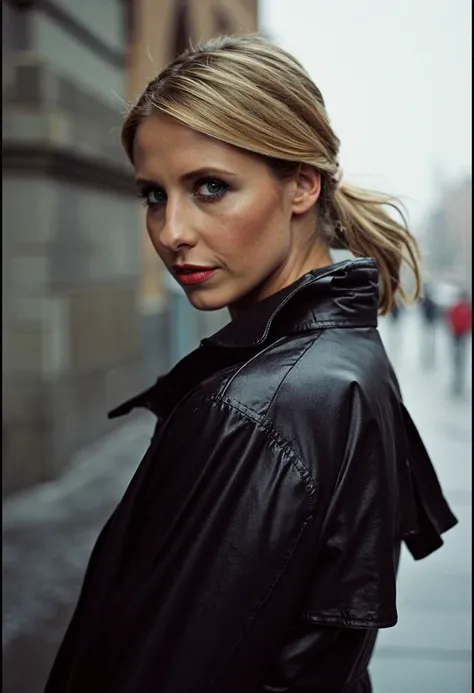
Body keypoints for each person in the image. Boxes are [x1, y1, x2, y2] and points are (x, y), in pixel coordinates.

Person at [44, 35, 457, 693]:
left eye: (211, 187)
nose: (172, 230)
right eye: (154, 194)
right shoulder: (342, 352)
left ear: (301, 184)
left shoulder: (256, 408)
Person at [447, 290, 472, 396]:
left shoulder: (459, 307)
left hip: (459, 336)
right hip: (460, 336)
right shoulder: (461, 307)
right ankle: (458, 382)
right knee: (459, 359)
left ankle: (458, 382)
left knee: (458, 359)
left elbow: (451, 320)